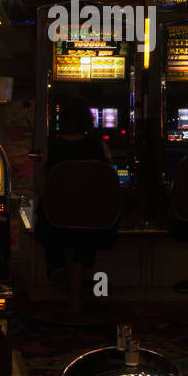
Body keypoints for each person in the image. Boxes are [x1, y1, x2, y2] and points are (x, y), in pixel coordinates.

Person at [36, 98, 112, 280]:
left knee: (44, 208)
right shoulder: (98, 145)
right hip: (93, 218)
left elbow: (42, 184)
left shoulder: (51, 146)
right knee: (90, 214)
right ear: (88, 120)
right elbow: (110, 181)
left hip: (55, 220)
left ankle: (56, 266)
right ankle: (85, 265)